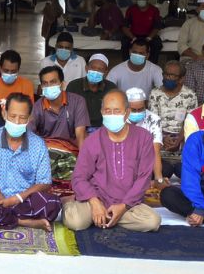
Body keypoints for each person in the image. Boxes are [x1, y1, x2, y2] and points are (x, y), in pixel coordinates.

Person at [63, 90, 160, 232]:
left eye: (117, 111)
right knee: (75, 222)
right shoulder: (92, 140)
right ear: (102, 112)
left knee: (152, 222)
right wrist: (95, 202)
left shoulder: (143, 138)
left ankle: (108, 216)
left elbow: (144, 178)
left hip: (128, 203)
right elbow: (79, 177)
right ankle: (82, 207)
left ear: (127, 113)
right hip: (96, 199)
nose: (112, 115)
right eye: (108, 111)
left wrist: (124, 206)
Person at [0, 93, 61, 231]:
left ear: (29, 118)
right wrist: (2, 201)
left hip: (25, 201)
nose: (17, 122)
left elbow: (44, 182)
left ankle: (7, 219)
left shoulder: (38, 144)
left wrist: (18, 198)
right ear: (4, 114)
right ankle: (24, 222)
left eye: (22, 118)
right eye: (12, 116)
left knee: (53, 203)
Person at [29, 65, 88, 152]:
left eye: (53, 82)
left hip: (71, 151)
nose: (49, 86)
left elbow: (80, 134)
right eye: (45, 83)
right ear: (41, 86)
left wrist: (83, 161)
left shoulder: (78, 101)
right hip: (46, 151)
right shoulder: (37, 106)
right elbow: (29, 134)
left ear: (62, 84)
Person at [149, 60, 199, 159]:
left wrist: (179, 139)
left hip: (182, 141)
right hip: (159, 141)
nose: (168, 77)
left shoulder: (190, 95)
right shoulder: (155, 94)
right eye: (166, 74)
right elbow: (152, 122)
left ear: (181, 78)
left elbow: (191, 123)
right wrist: (163, 138)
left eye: (172, 75)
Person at [125, 87, 168, 184]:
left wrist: (159, 179)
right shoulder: (119, 118)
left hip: (145, 161)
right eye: (133, 110)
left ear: (146, 105)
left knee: (166, 169)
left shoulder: (153, 119)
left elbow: (155, 151)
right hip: (124, 162)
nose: (137, 112)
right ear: (126, 107)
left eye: (140, 109)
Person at [66, 53, 117, 129]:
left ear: (106, 72)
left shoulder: (111, 88)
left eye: (100, 69)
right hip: (78, 128)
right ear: (86, 68)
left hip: (104, 128)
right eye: (93, 68)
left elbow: (114, 114)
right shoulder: (73, 86)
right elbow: (68, 113)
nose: (96, 71)